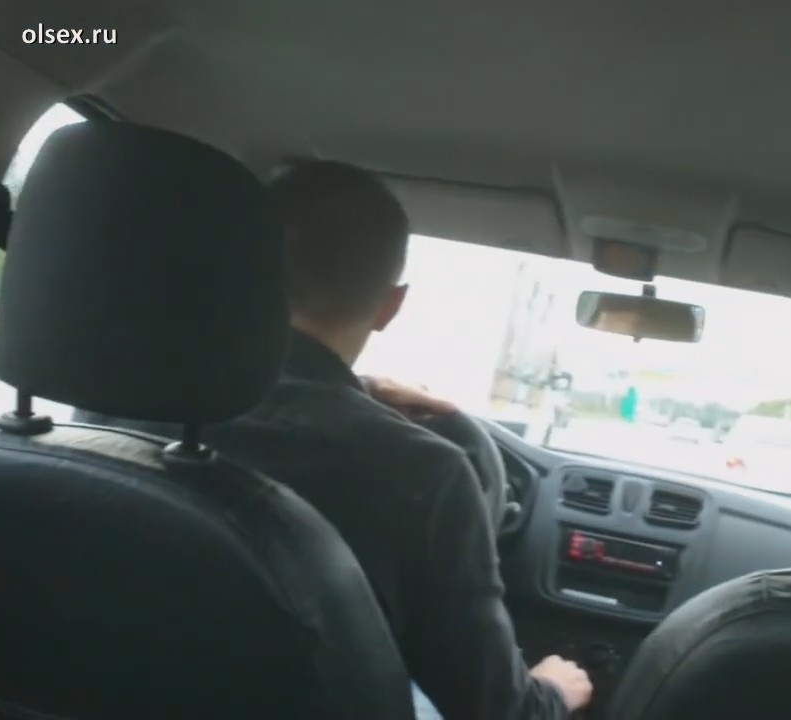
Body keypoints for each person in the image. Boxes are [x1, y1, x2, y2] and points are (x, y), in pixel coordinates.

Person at [77, 160, 592, 719]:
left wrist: (359, 391)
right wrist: (552, 691)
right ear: (391, 306)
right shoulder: (425, 471)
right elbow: (493, 711)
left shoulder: (108, 403)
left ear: (238, 273)